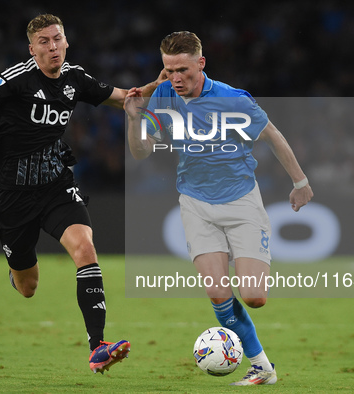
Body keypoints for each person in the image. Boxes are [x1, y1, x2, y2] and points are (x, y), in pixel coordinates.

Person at [0, 14, 162, 374]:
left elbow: (125, 98)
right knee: (28, 286)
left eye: (58, 39)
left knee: (85, 248)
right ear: (32, 49)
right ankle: (16, 271)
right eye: (45, 42)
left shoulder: (76, 78)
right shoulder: (19, 77)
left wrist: (160, 84)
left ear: (66, 41)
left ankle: (98, 347)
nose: (53, 47)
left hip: (55, 184)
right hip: (13, 194)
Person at [124, 31, 313, 385]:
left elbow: (272, 134)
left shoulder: (232, 98)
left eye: (183, 69)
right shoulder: (164, 95)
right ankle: (263, 368)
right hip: (195, 204)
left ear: (201, 63)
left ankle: (256, 355)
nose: (176, 78)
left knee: (255, 297)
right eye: (168, 70)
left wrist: (300, 183)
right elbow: (140, 151)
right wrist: (134, 120)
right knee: (217, 293)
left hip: (241, 201)